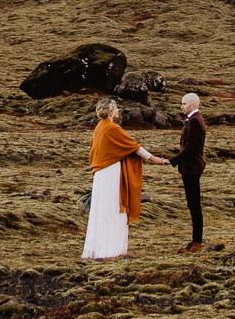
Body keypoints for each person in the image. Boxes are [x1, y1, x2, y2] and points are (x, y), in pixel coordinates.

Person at [82, 96, 167, 261]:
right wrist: (154, 158)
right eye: (116, 108)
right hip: (110, 173)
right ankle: (111, 249)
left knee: (103, 209)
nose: (118, 110)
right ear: (110, 111)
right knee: (113, 206)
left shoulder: (99, 127)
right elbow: (133, 146)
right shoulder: (112, 128)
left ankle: (101, 248)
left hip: (101, 174)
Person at [173, 92, 208, 252]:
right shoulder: (194, 119)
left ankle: (197, 242)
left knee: (194, 205)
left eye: (184, 104)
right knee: (192, 204)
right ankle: (195, 241)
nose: (182, 107)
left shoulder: (194, 121)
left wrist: (172, 160)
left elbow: (190, 149)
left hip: (192, 168)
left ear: (193, 105)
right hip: (190, 167)